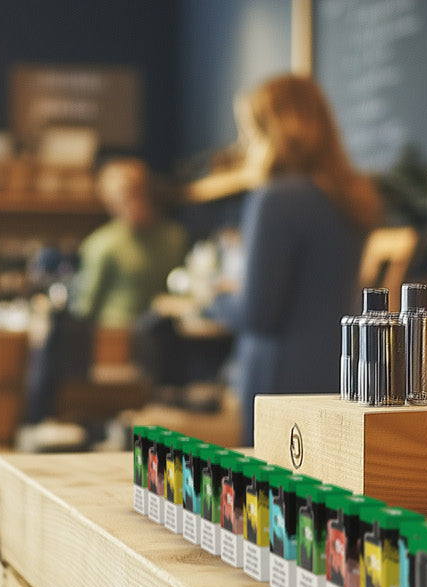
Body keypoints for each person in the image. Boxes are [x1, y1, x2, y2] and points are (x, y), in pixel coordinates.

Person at [215, 75, 383, 445]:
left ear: (268, 131)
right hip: (336, 373)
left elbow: (259, 315)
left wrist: (215, 299)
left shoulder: (276, 200)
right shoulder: (351, 198)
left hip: (279, 383)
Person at [68, 159, 188, 328]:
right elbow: (84, 308)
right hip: (114, 339)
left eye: (137, 196)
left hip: (162, 334)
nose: (132, 206)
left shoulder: (174, 237)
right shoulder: (101, 245)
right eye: (122, 201)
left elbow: (184, 289)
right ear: (111, 204)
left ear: (148, 194)